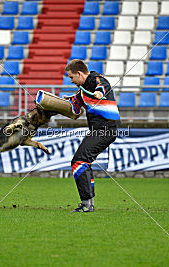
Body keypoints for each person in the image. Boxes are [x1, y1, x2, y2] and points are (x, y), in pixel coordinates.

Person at [64, 59, 121, 212]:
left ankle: (87, 204)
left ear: (79, 73)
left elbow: (102, 87)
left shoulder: (97, 80)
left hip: (105, 129)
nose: (71, 81)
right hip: (98, 130)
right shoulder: (82, 90)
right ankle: (88, 203)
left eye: (71, 77)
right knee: (82, 161)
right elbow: (73, 105)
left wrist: (99, 93)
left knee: (79, 160)